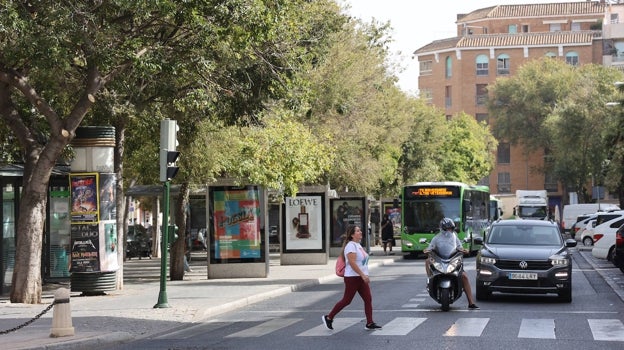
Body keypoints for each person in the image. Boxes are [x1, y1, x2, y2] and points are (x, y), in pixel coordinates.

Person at [322, 225, 382, 331]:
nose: (361, 232)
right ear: (352, 235)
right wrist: (363, 275)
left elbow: (362, 263)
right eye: (358, 231)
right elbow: (352, 262)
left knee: (368, 299)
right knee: (347, 300)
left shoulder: (358, 245)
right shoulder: (351, 246)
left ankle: (369, 322)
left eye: (360, 230)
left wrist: (365, 274)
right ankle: (329, 317)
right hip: (352, 278)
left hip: (360, 277)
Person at [423, 218, 479, 310]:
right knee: (427, 261)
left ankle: (471, 303)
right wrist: (428, 250)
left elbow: (459, 247)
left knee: (464, 276)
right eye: (447, 229)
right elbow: (431, 247)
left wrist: (464, 250)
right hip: (440, 260)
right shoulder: (436, 238)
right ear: (442, 229)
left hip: (451, 260)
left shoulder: (454, 237)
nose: (449, 231)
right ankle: (430, 279)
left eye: (451, 228)